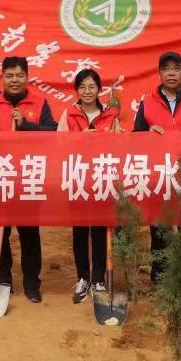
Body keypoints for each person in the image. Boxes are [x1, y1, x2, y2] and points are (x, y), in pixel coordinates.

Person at [0, 57, 56, 302]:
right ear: (2, 78)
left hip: (27, 176)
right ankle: (3, 280)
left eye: (19, 75)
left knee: (29, 232)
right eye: (9, 76)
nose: (15, 80)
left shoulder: (40, 103)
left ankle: (32, 283)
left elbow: (52, 133)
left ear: (27, 77)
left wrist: (26, 126)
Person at [133, 52, 181, 286]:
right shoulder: (147, 103)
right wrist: (148, 135)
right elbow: (136, 137)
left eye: (176, 68)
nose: (171, 73)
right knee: (160, 231)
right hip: (159, 176)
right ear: (159, 73)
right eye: (166, 69)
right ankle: (161, 281)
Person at [58, 68, 120, 303]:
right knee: (80, 231)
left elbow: (120, 146)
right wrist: (80, 138)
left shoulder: (111, 115)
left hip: (103, 178)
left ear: (99, 89)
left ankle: (98, 279)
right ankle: (83, 278)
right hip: (78, 178)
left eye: (92, 86)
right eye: (82, 87)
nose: (87, 91)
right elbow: (58, 144)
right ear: (77, 90)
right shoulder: (69, 114)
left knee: (100, 229)